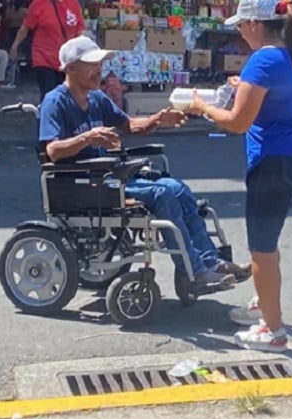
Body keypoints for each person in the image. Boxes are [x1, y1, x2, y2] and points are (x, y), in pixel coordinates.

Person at [40, 36, 251, 286]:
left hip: (109, 175)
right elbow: (52, 150)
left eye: (100, 64)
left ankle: (210, 261)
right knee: (162, 193)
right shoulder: (56, 101)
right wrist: (88, 138)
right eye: (91, 64)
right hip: (84, 182)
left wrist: (157, 120)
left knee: (178, 188)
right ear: (70, 68)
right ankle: (193, 271)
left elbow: (128, 125)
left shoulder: (96, 98)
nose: (98, 70)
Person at [185, 0, 292, 352]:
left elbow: (237, 122)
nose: (239, 33)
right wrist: (244, 84)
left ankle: (273, 331)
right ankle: (265, 305)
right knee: (268, 244)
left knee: (261, 249)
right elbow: (280, 93)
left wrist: (203, 107)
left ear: (255, 25)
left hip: (275, 161)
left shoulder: (264, 59)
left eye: (241, 26)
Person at [9, 0, 85, 101]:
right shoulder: (39, 4)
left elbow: (79, 31)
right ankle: (47, 114)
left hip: (66, 59)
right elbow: (25, 28)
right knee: (49, 93)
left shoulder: (73, 4)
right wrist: (15, 46)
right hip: (44, 57)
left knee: (66, 94)